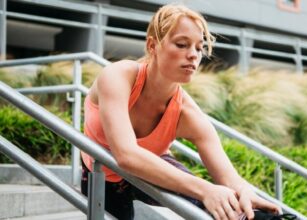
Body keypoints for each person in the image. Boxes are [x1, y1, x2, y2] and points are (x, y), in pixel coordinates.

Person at [80, 3, 281, 220]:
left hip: (152, 164)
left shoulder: (188, 113)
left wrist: (244, 192)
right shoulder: (118, 77)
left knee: (235, 210)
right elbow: (126, 155)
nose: (193, 55)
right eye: (182, 44)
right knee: (204, 193)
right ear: (152, 46)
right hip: (102, 174)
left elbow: (228, 176)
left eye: (198, 47)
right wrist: (205, 189)